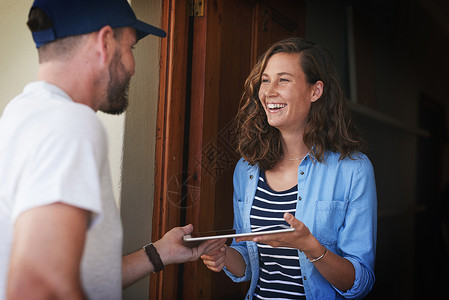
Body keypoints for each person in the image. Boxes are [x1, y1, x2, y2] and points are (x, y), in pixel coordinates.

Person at [0, 1, 223, 299]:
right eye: (130, 48)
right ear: (105, 42)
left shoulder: (19, 113)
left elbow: (78, 275)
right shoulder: (71, 124)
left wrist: (159, 253)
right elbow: (40, 286)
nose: (132, 66)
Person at [201, 37, 377, 299]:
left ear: (315, 91)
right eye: (265, 80)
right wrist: (223, 255)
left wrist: (310, 247)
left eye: (283, 80)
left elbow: (359, 283)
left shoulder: (353, 170)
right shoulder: (247, 169)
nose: (269, 91)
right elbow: (247, 260)